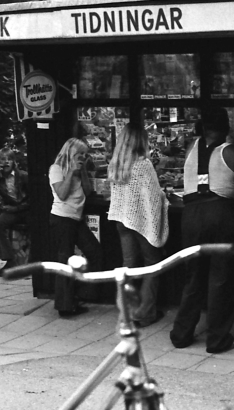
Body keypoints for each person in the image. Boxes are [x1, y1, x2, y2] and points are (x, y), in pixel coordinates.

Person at [170, 106, 234, 353]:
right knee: (220, 279)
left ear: (203, 128)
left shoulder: (191, 149)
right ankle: (217, 339)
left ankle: (181, 334)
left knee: (193, 278)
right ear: (226, 129)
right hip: (221, 216)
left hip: (191, 216)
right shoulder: (230, 151)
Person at [107, 124, 169, 328]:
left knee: (129, 266)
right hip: (141, 220)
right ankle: (145, 313)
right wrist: (165, 199)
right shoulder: (143, 165)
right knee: (153, 265)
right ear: (140, 141)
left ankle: (126, 310)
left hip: (121, 220)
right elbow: (153, 197)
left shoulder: (116, 164)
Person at [49, 138, 104, 316]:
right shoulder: (56, 169)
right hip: (62, 218)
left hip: (76, 218)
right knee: (65, 260)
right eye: (79, 153)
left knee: (94, 251)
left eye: (84, 154)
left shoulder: (80, 170)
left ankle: (79, 294)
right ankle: (64, 306)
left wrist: (84, 172)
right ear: (69, 152)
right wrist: (72, 172)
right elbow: (62, 194)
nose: (81, 157)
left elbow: (87, 192)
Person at [0, 148, 29, 276]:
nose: (6, 162)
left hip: (27, 209)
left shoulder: (23, 176)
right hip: (13, 211)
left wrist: (17, 208)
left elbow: (35, 199)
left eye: (9, 159)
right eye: (3, 159)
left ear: (14, 162)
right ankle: (9, 260)